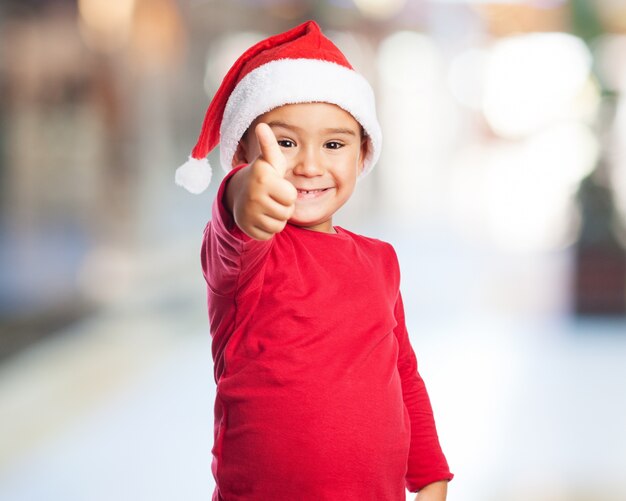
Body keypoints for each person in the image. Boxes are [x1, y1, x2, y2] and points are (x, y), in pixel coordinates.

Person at [176, 20, 453, 501]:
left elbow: (403, 371)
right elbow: (234, 217)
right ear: (242, 150)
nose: (308, 165)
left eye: (334, 144)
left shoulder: (380, 261)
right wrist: (245, 189)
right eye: (284, 143)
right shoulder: (246, 257)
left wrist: (429, 473)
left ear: (363, 152)